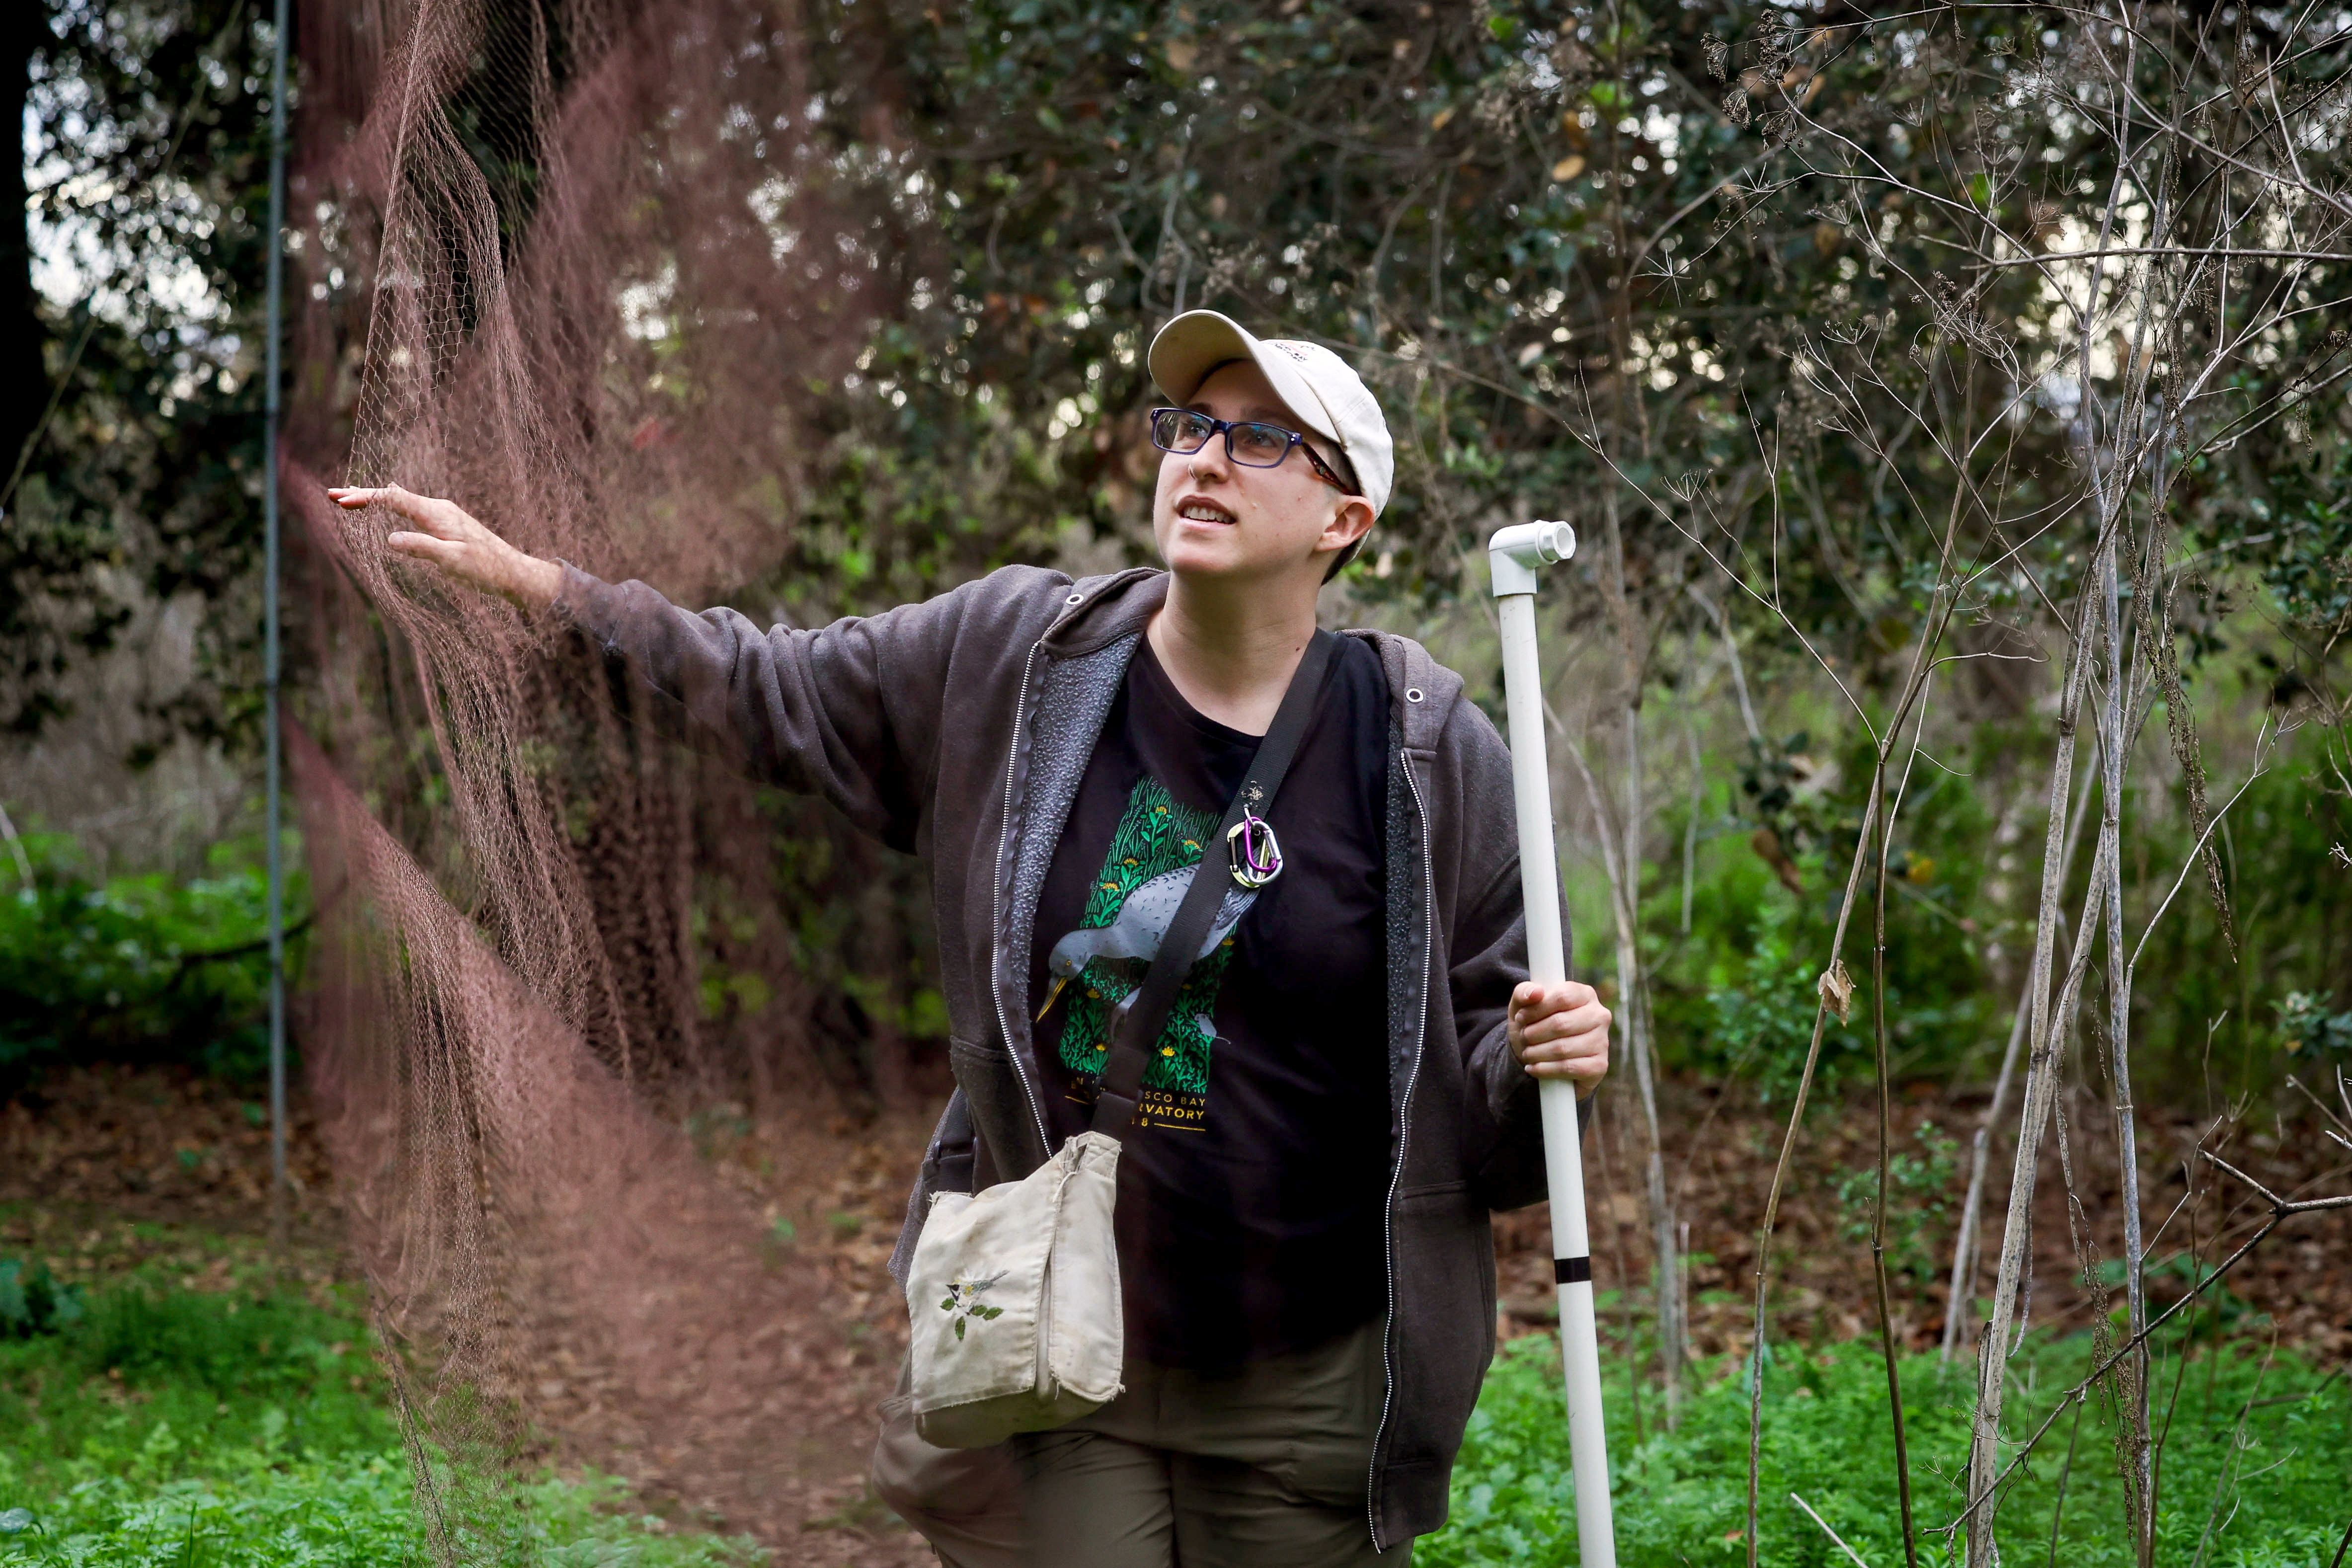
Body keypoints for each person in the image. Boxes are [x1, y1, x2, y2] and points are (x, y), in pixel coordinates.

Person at [331, 309, 1611, 1568]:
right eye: (1190, 426)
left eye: (1265, 439)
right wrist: (544, 591)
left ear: (1346, 522)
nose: (1206, 458)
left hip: (1311, 1375)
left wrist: (1548, 1059)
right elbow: (768, 686)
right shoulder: (1015, 659)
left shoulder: (1426, 754)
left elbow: (1490, 1110)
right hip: (1058, 1339)